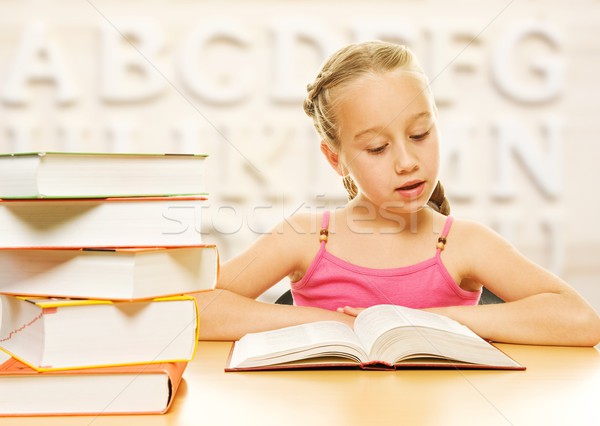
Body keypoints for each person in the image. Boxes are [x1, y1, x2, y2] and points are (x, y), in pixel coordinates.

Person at [196, 40, 600, 346]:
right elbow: (194, 308)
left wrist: (421, 321)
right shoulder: (305, 236)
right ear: (336, 159)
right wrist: (335, 323)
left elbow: (581, 320)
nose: (407, 161)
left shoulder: (464, 242)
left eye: (420, 134)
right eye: (377, 148)